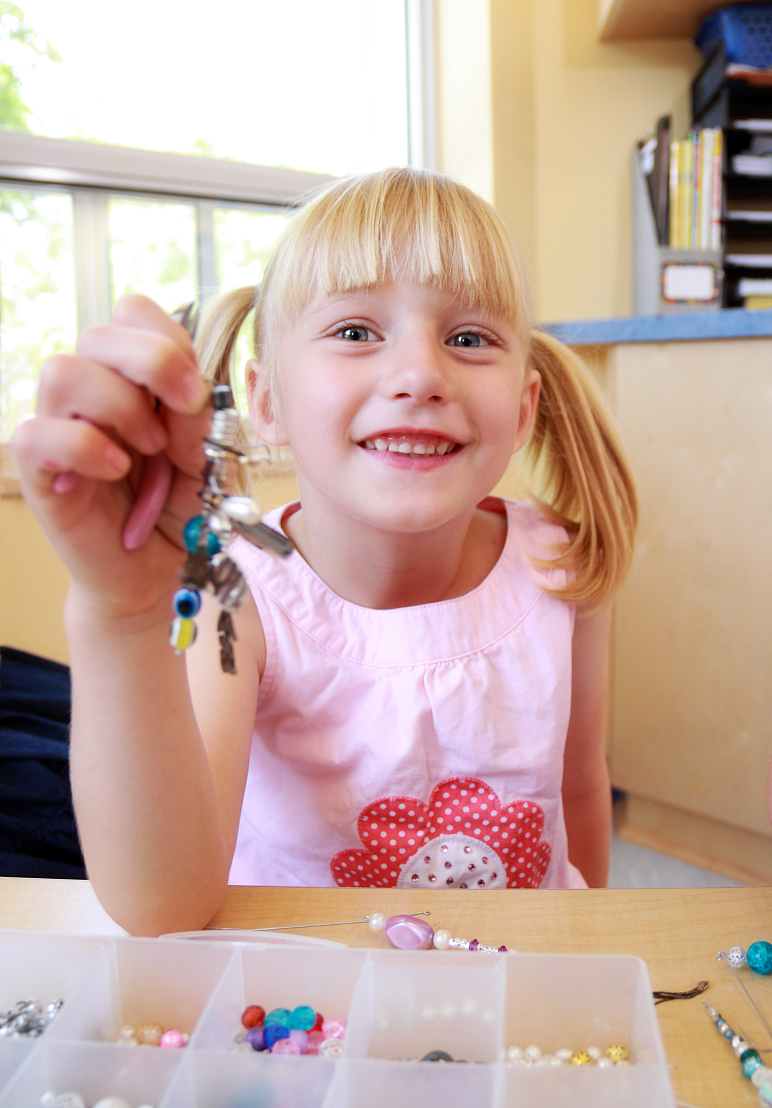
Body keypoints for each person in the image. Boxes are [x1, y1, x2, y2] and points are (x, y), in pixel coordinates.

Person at [14, 167, 637, 934]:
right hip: (303, 1005)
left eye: (469, 338)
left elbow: (580, 791)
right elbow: (162, 908)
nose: (418, 374)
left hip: (514, 988)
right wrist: (121, 613)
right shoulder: (237, 592)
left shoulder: (561, 567)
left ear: (523, 408)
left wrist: (599, 947)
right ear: (265, 399)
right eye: (355, 333)